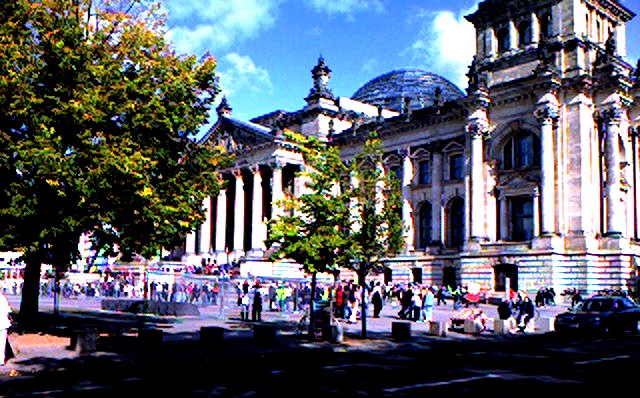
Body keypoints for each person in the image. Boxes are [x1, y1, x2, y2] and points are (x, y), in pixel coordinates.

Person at [0, 290, 12, 365]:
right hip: (3, 323)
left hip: (3, 322)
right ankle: (1, 359)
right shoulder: (2, 298)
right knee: (1, 343)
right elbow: (7, 311)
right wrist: (10, 319)